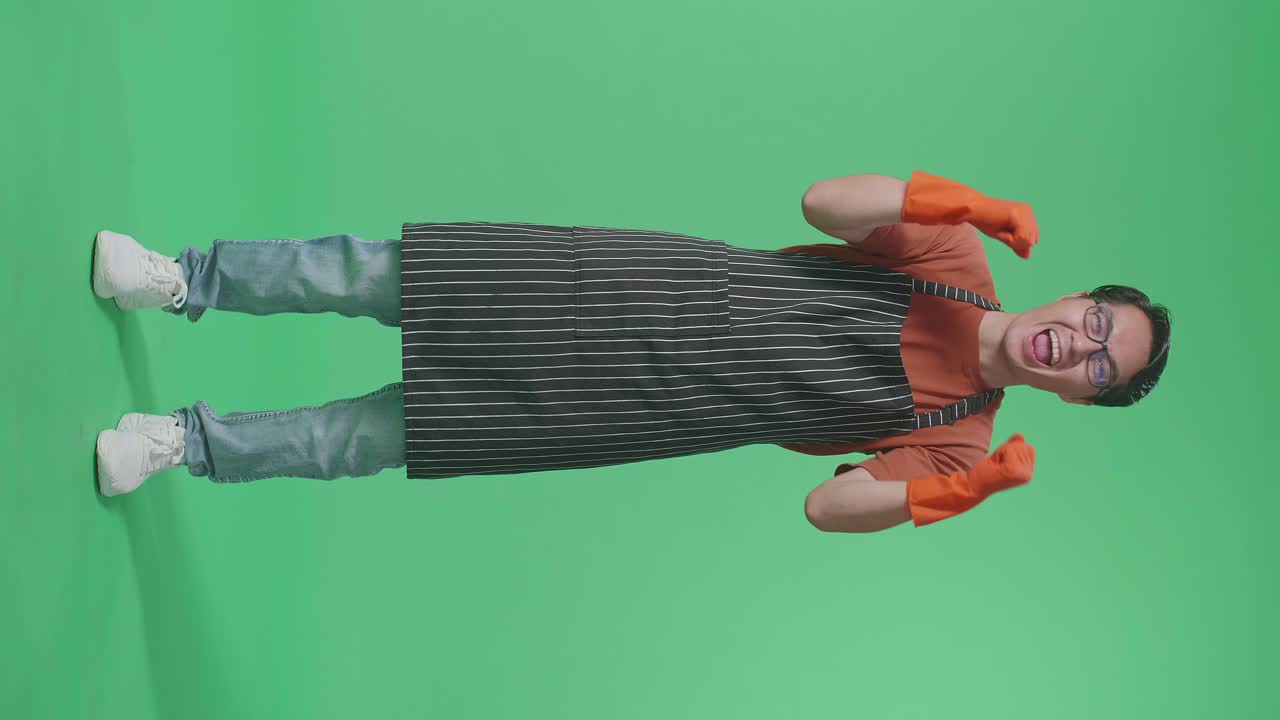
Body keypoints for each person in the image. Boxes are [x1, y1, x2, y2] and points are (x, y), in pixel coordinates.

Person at [91, 170, 1172, 533]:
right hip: (630, 282)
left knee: (368, 438)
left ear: (1082, 400)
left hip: (641, 409)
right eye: (1094, 324)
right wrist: (962, 202)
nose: (1075, 346)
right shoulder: (953, 256)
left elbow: (827, 507)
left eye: (1098, 366)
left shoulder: (960, 445)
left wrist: (959, 492)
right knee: (373, 275)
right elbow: (823, 203)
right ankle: (182, 278)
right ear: (1075, 296)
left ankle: (181, 444)